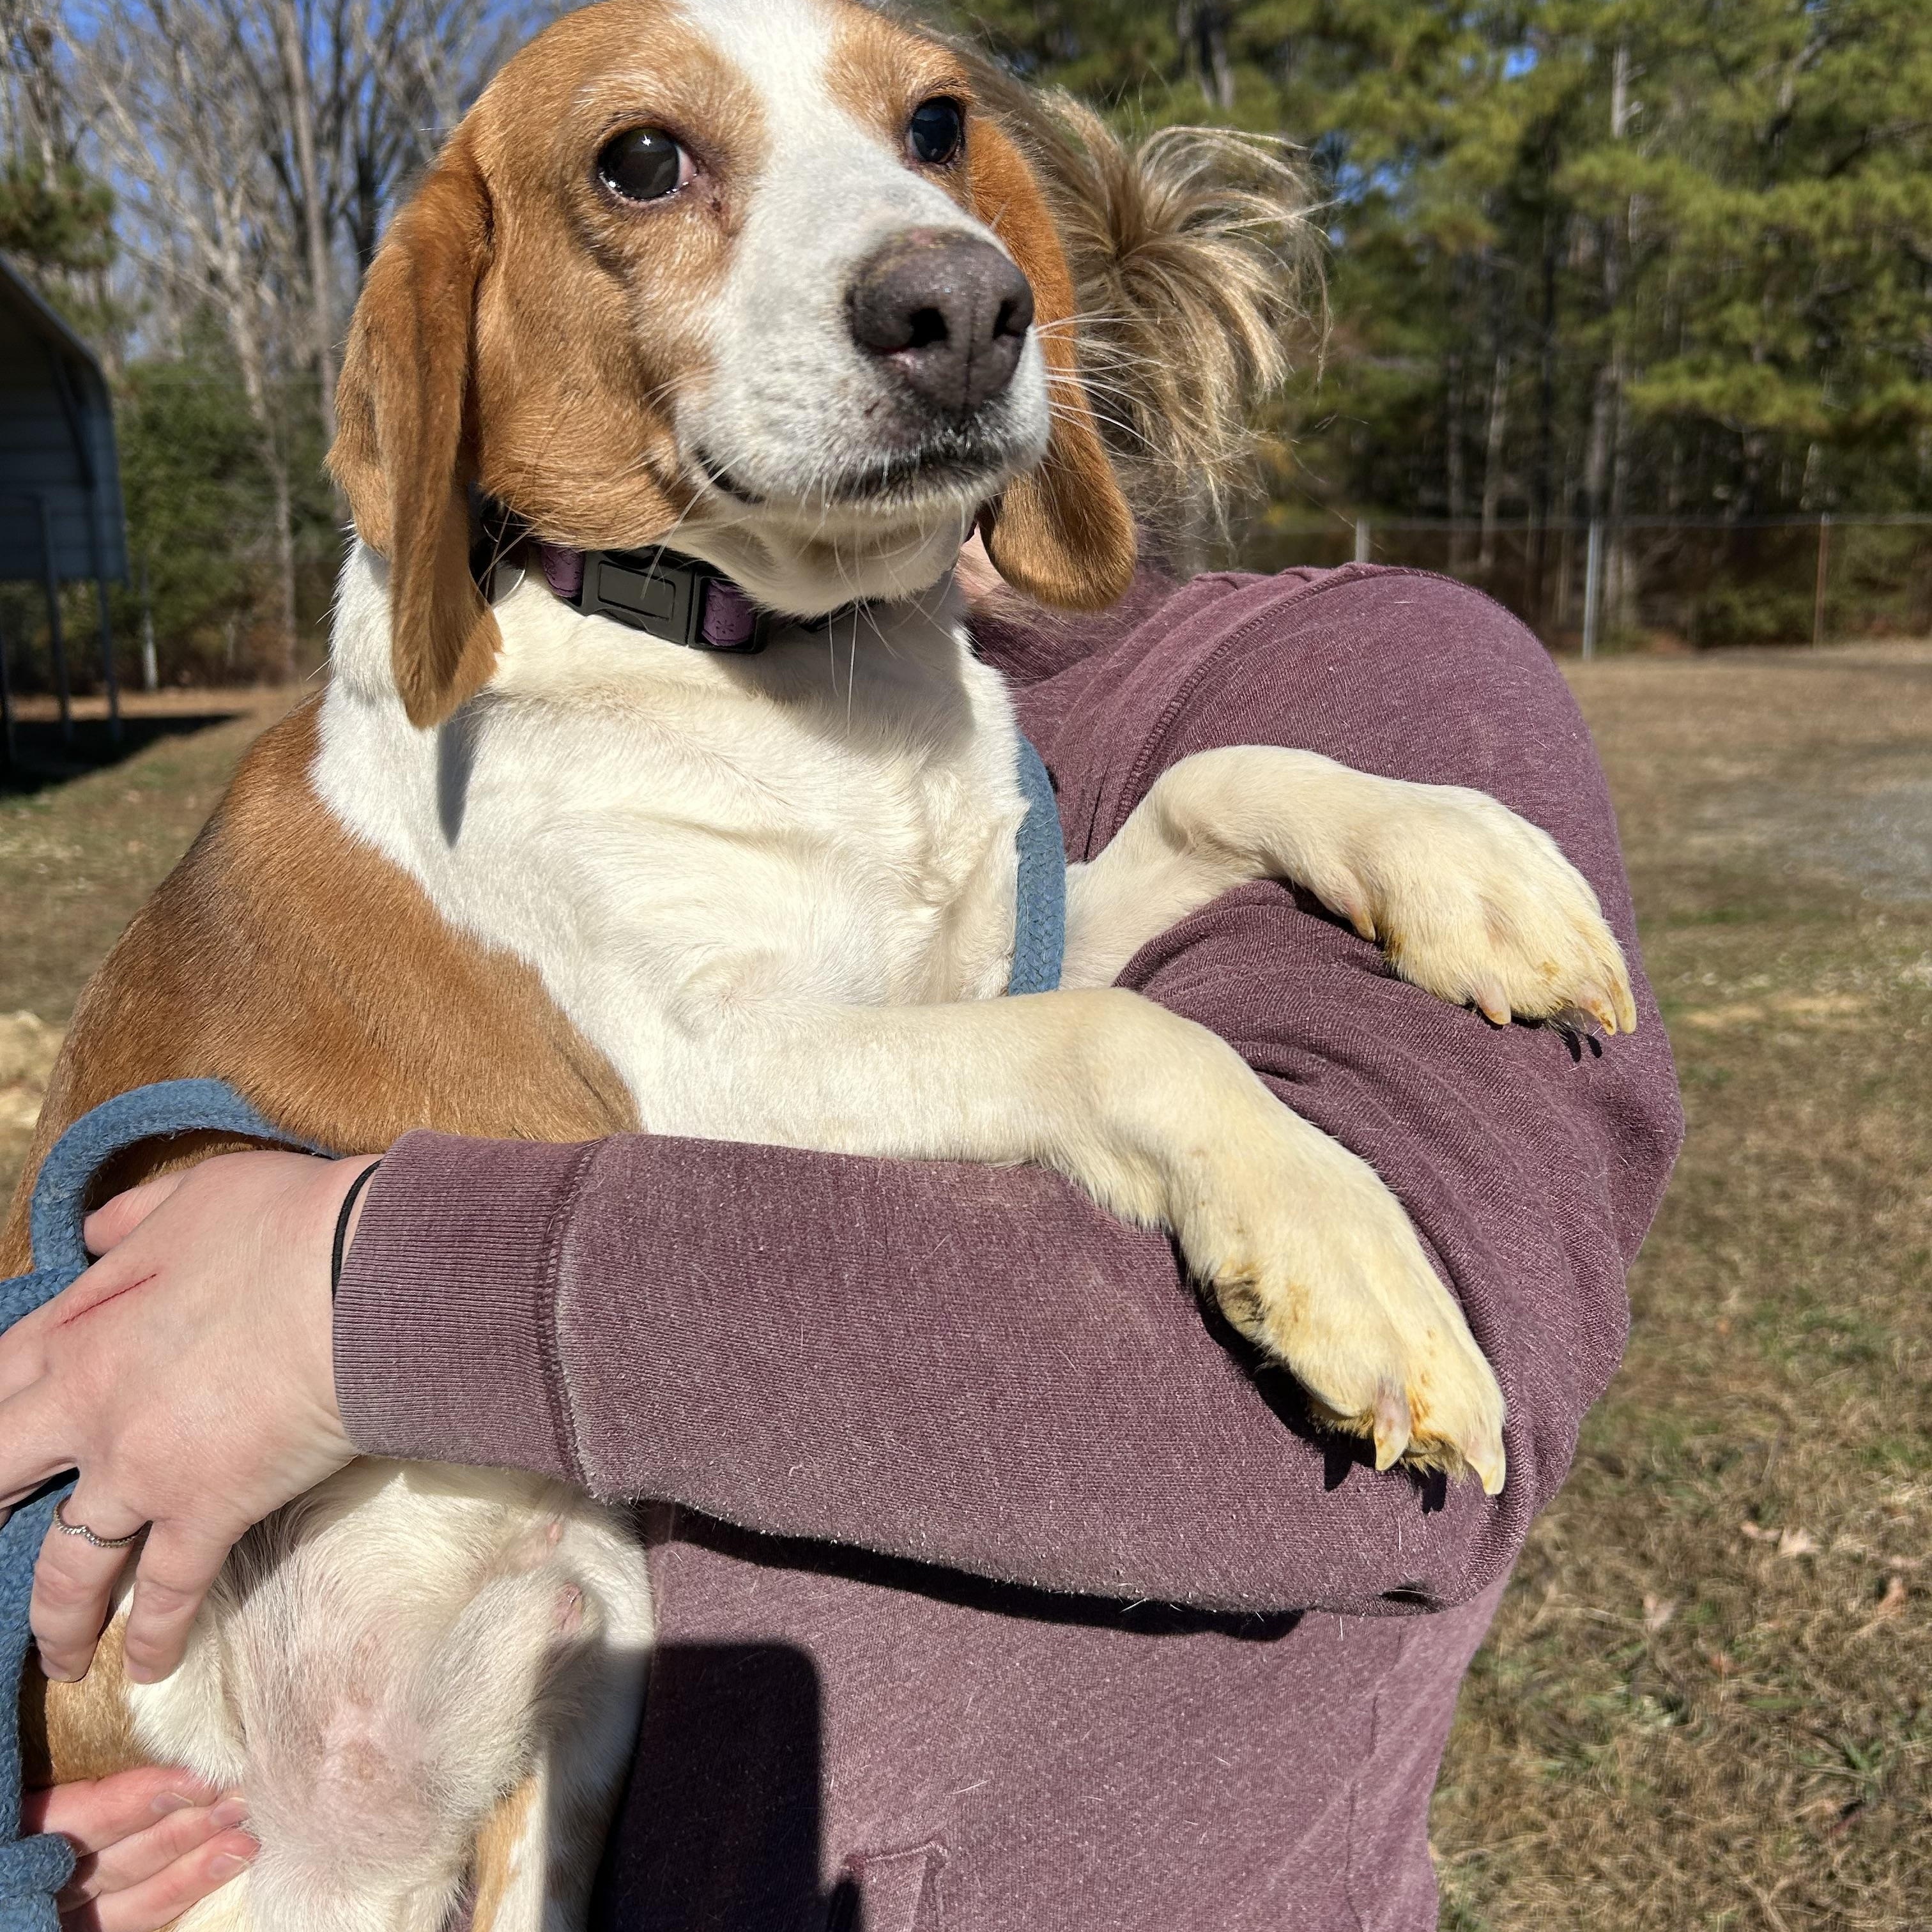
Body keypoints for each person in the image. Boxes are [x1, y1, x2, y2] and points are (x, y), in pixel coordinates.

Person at [0, 556, 1681, 1932]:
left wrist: (353, 1294)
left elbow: (1348, 1425)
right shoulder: (584, 680)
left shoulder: (1357, 661)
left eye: (942, 154)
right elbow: (803, 1052)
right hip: (246, 1753)